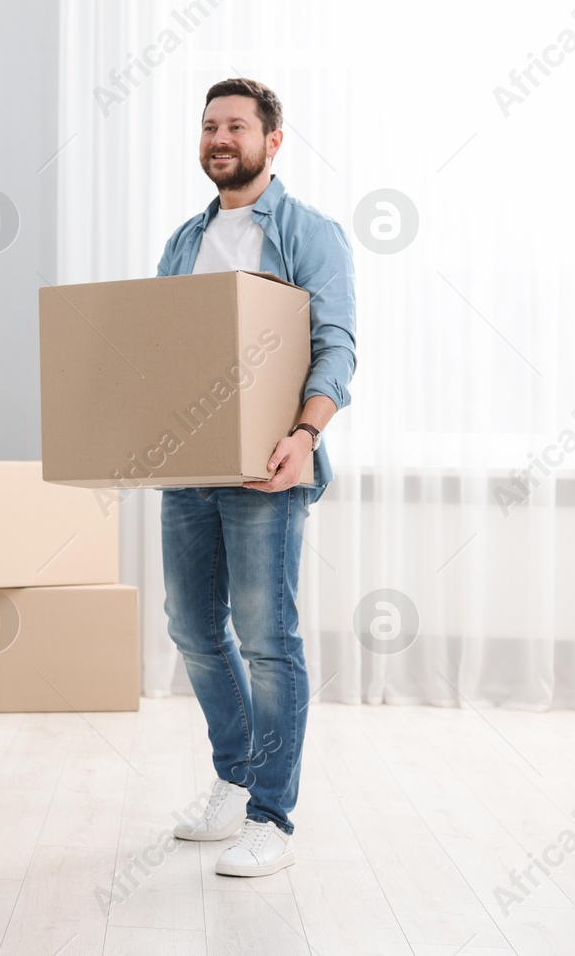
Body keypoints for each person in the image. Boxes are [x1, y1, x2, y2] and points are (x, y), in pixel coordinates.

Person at [157, 78, 356, 877]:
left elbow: (335, 345)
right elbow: (162, 351)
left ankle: (271, 813)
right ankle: (236, 777)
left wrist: (306, 434)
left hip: (270, 466)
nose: (219, 138)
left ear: (273, 140)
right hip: (189, 467)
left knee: (268, 640)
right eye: (209, 126)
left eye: (236, 125)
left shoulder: (311, 232)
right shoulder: (182, 241)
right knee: (193, 629)